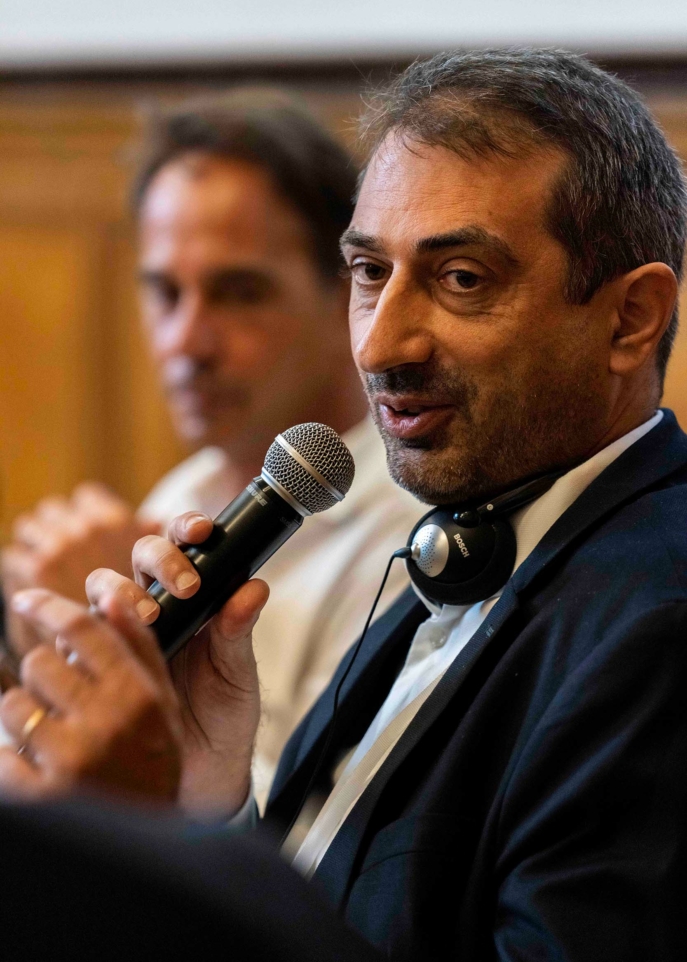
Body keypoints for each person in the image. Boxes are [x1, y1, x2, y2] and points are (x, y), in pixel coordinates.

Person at [1, 48, 687, 961]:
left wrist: (144, 850)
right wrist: (202, 797)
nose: (379, 343)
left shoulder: (657, 624)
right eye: (368, 272)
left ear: (630, 318)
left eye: (461, 279)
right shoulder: (470, 541)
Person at [0, 90, 424, 800]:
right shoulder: (188, 492)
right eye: (165, 292)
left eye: (238, 293)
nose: (185, 343)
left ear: (347, 295)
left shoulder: (406, 539)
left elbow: (315, 842)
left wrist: (118, 676)